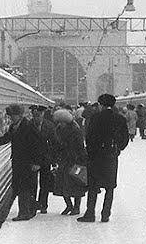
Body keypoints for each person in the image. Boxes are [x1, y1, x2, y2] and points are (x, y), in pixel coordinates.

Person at [0, 103, 48, 221]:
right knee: (20, 187)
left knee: (25, 188)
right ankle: (32, 208)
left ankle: (24, 213)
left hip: (28, 163)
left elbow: (38, 146)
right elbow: (5, 138)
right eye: (10, 116)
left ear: (19, 115)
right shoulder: (14, 127)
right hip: (19, 162)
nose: (11, 118)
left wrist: (37, 163)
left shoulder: (28, 127)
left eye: (13, 115)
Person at [77, 93, 130, 223]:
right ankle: (106, 214)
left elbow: (89, 137)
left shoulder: (96, 117)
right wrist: (117, 149)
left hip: (96, 156)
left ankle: (90, 213)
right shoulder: (120, 119)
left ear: (101, 105)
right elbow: (125, 138)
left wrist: (90, 152)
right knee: (109, 187)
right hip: (111, 156)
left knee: (93, 186)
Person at [50, 108, 87, 214]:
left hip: (75, 160)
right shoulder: (58, 130)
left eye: (62, 122)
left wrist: (82, 160)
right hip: (64, 160)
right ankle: (69, 205)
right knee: (63, 184)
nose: (60, 124)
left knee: (76, 184)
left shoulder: (75, 130)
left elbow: (80, 146)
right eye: (59, 122)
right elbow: (55, 146)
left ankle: (76, 207)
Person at [33, 105, 57, 213]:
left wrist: (54, 160)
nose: (37, 117)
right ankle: (33, 204)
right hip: (32, 160)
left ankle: (43, 204)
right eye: (35, 115)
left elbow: (54, 143)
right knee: (32, 184)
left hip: (45, 159)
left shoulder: (50, 126)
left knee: (45, 184)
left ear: (43, 114)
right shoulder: (29, 125)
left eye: (39, 115)